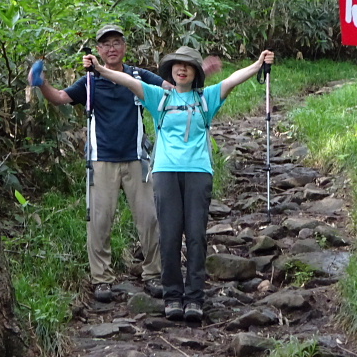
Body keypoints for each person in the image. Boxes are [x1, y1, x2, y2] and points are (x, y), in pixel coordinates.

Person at [28, 25, 220, 303]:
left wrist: (201, 70)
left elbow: (174, 88)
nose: (111, 48)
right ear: (99, 50)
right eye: (105, 45)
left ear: (124, 46)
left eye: (116, 42)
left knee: (151, 220)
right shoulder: (90, 81)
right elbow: (60, 98)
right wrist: (41, 83)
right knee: (99, 221)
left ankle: (153, 275)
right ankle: (101, 280)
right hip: (101, 160)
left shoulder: (140, 77)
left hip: (137, 159)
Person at [83, 45, 275, 322]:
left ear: (195, 72)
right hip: (165, 172)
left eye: (188, 65)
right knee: (170, 236)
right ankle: (173, 295)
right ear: (171, 70)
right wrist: (100, 69)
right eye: (177, 65)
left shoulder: (206, 98)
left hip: (198, 172)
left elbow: (232, 79)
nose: (181, 69)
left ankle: (195, 297)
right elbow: (128, 81)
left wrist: (258, 64)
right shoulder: (158, 97)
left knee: (196, 236)